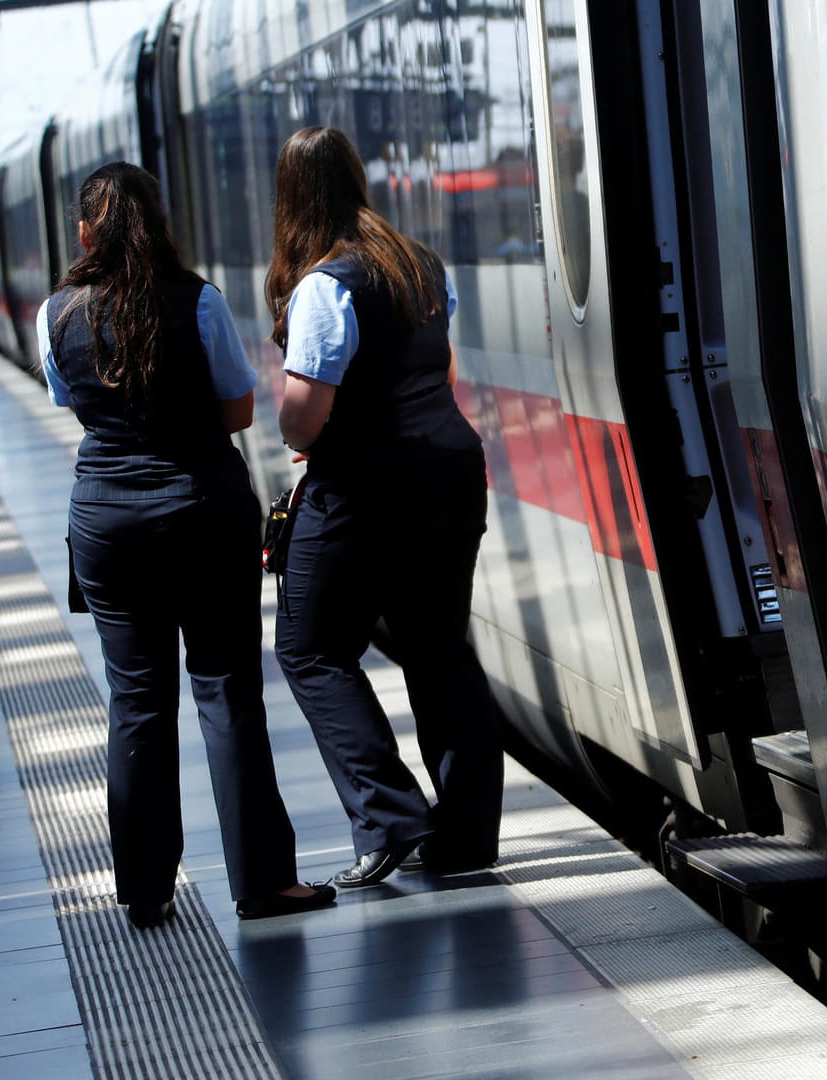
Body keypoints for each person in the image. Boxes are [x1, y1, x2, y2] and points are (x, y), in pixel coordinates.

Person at [40, 162, 335, 927]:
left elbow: (69, 401)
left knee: (136, 701)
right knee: (227, 693)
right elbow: (238, 410)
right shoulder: (196, 299)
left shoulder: (56, 313)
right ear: (157, 224)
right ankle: (264, 882)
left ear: (85, 232)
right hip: (201, 511)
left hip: (105, 521)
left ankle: (143, 888)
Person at [266, 126, 505, 888]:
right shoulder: (419, 265)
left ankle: (392, 816)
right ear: (358, 181)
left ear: (293, 198)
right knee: (437, 644)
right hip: (449, 469)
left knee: (308, 645)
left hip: (367, 486)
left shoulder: (325, 285)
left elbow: (305, 417)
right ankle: (467, 835)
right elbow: (446, 369)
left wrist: (290, 411)